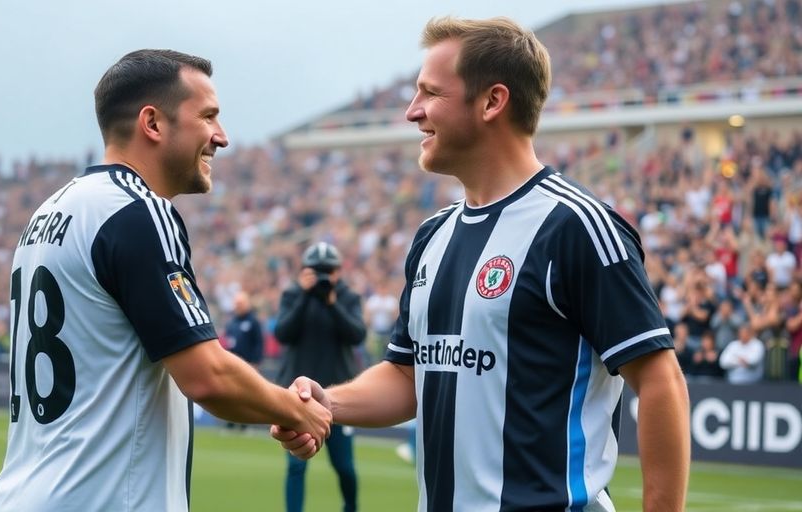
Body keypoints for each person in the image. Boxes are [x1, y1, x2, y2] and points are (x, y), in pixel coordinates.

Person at [273, 17, 690, 511]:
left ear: (492, 101)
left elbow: (661, 382)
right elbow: (409, 377)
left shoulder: (574, 228)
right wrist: (329, 405)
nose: (412, 111)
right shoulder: (433, 235)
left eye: (430, 93)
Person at [0, 49, 330, 512]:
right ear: (153, 123)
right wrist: (297, 412)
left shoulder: (50, 211)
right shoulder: (138, 210)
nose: (221, 137)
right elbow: (207, 376)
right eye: (208, 116)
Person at [273, 241, 366, 512]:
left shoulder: (347, 297)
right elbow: (283, 334)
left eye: (329, 270)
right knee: (296, 466)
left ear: (339, 271)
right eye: (316, 270)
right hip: (299, 397)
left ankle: (350, 507)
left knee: (345, 467)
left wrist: (332, 303)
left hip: (338, 396)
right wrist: (305, 296)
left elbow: (357, 335)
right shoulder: (293, 295)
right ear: (304, 271)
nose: (323, 275)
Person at [223, 291, 265, 431]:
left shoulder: (253, 322)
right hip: (232, 365)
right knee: (230, 394)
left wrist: (256, 362)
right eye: (236, 304)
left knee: (245, 395)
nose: (238, 306)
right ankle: (230, 422)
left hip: (247, 364)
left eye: (240, 303)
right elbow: (228, 342)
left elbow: (259, 343)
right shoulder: (232, 322)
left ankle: (244, 424)